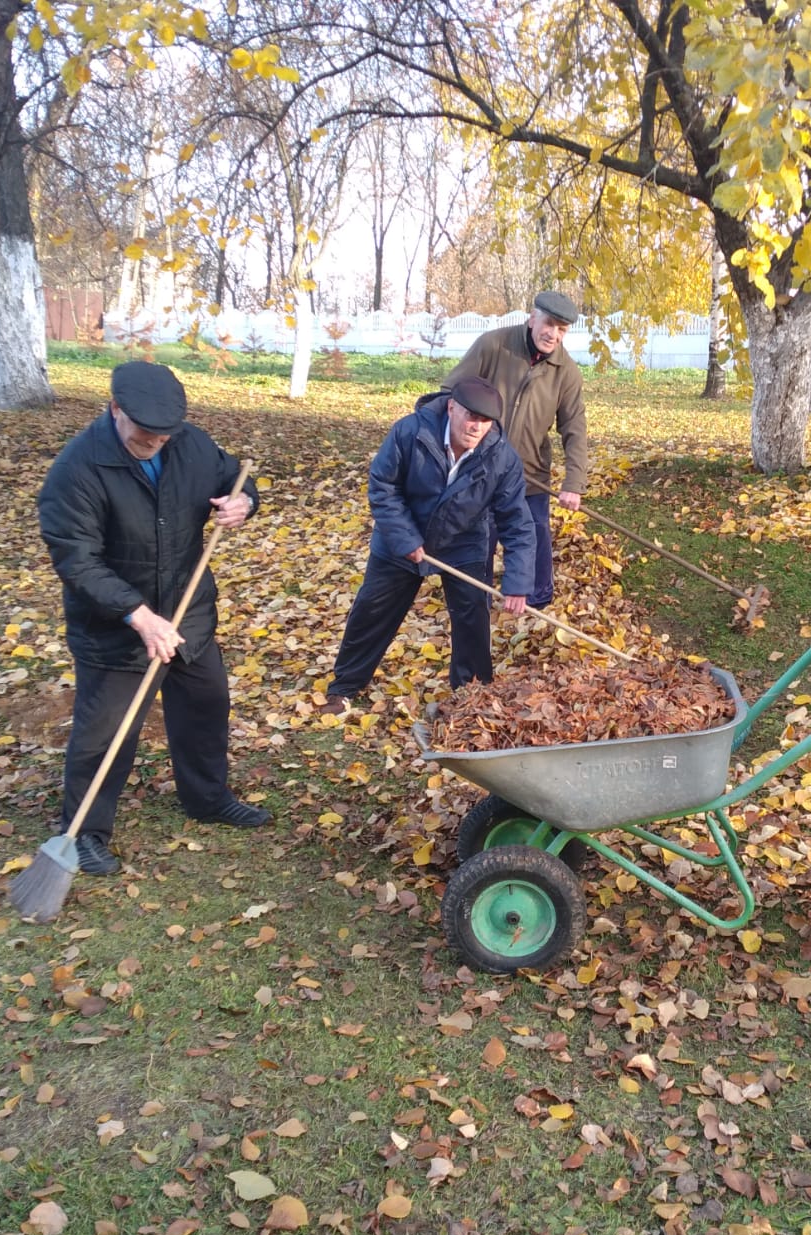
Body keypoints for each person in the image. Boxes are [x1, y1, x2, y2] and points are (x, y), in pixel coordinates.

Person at [37, 361, 270, 878]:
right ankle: (86, 833)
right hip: (116, 626)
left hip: (189, 612)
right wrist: (138, 616)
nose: (157, 444)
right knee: (106, 733)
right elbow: (76, 559)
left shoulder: (188, 442)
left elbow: (236, 476)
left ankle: (207, 798)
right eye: (146, 437)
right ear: (115, 410)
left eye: (166, 436)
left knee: (206, 707)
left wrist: (242, 503)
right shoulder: (78, 469)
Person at [318, 376, 535, 717]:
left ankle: (471, 696)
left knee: (472, 621)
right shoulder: (410, 433)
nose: (476, 426)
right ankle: (344, 687)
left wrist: (519, 583)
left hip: (463, 543)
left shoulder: (502, 459)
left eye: (484, 421)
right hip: (401, 538)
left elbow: (517, 523)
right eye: (469, 416)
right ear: (452, 407)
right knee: (372, 611)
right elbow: (383, 487)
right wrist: (405, 539)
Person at [443, 289, 587, 608]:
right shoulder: (494, 345)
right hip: (479, 466)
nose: (553, 334)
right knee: (480, 533)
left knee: (532, 533)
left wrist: (574, 484)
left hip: (529, 471)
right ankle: (473, 596)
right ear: (532, 318)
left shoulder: (567, 373)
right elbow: (450, 393)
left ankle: (536, 600)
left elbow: (574, 428)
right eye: (549, 323)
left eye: (562, 329)